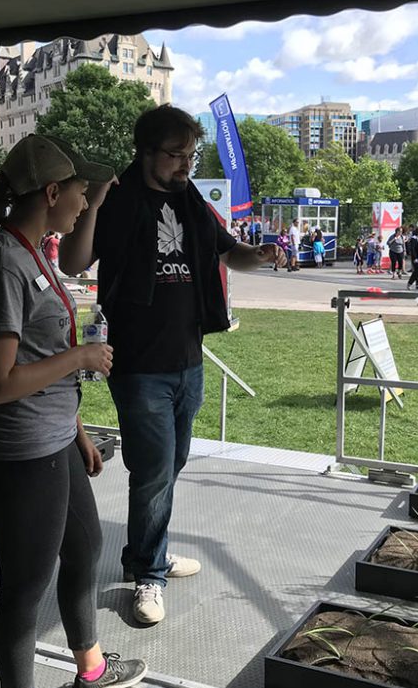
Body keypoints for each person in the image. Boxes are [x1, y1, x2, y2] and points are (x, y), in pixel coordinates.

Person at [58, 106, 287, 626]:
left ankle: (149, 553)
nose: (185, 165)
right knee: (156, 468)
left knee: (171, 464)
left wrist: (265, 254)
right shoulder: (118, 201)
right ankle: (148, 576)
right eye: (175, 155)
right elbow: (73, 262)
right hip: (138, 365)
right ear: (146, 152)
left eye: (191, 155)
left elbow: (231, 254)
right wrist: (94, 202)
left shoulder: (191, 201)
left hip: (189, 361)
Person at [0, 135, 146, 688]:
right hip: (18, 452)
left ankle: (91, 670)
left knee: (86, 546)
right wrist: (83, 358)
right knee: (25, 587)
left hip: (53, 439)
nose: (85, 201)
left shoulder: (35, 249)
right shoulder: (2, 264)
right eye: (80, 193)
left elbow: (38, 360)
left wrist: (77, 431)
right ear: (50, 191)